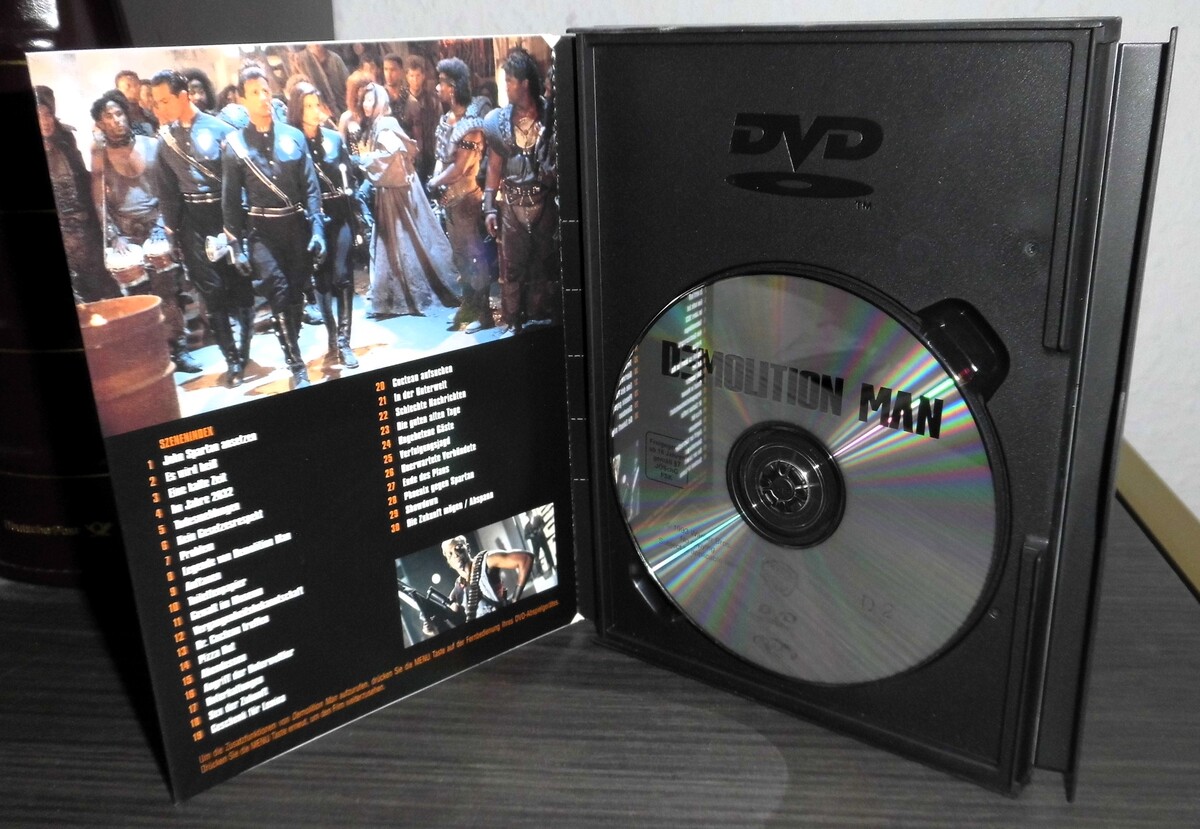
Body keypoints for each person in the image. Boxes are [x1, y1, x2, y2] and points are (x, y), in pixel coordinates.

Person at [222, 66, 326, 390]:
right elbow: (229, 201)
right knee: (278, 292)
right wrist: (235, 246)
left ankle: (291, 339)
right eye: (254, 93)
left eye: (266, 90)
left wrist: (318, 230)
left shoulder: (294, 137)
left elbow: (311, 189)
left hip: (295, 228)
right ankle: (296, 365)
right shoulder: (235, 145)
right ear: (243, 100)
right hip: (261, 232)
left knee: (295, 294)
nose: (263, 97)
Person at [151, 68, 256, 387]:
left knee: (240, 287)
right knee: (211, 292)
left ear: (183, 96)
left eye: (164, 100)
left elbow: (242, 181)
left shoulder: (221, 130)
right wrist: (171, 232)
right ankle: (232, 359)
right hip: (192, 222)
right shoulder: (165, 141)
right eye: (156, 102)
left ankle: (245, 346)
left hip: (226, 215)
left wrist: (241, 226)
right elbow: (167, 191)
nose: (159, 108)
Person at [89, 89, 200, 373]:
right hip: (126, 233)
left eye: (119, 113)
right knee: (140, 299)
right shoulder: (100, 156)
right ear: (100, 123)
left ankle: (180, 350)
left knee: (167, 291)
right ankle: (156, 353)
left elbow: (169, 190)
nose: (116, 120)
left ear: (127, 115)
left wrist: (163, 224)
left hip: (156, 225)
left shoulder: (151, 145)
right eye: (108, 117)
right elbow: (99, 201)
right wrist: (114, 236)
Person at [355, 83, 458, 318]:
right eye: (364, 100)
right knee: (398, 242)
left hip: (397, 192)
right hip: (393, 190)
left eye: (371, 99)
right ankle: (396, 291)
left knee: (404, 240)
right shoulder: (379, 124)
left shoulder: (385, 125)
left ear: (381, 101)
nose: (366, 104)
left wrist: (363, 160)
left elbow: (390, 156)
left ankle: (406, 292)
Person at [287, 81, 367, 370]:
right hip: (311, 219)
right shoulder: (292, 143)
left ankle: (344, 341)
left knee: (343, 275)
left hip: (339, 212)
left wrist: (358, 213)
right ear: (297, 110)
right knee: (321, 279)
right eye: (306, 106)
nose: (313, 110)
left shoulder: (334, 139)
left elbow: (350, 179)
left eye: (315, 104)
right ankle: (332, 335)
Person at [482, 47, 558, 333]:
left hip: (545, 201)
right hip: (512, 205)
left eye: (510, 81)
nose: (506, 86)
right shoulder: (498, 122)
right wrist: (489, 207)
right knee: (512, 269)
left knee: (546, 265)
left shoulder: (550, 115)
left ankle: (545, 319)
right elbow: (494, 167)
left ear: (524, 83)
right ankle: (514, 321)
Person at [35, 85, 121, 303]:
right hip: (64, 232)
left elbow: (82, 176)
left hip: (85, 225)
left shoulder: (65, 138)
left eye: (47, 114)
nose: (45, 121)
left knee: (105, 287)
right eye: (38, 115)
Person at [426, 58, 493, 332]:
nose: (437, 87)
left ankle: (484, 312)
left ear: (452, 87)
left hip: (465, 199)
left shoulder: (471, 125)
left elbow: (460, 168)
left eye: (441, 82)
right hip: (450, 201)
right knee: (460, 257)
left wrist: (434, 182)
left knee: (474, 256)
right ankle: (469, 306)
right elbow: (442, 158)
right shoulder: (448, 120)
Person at [441, 535, 533, 621]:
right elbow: (450, 605)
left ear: (468, 548)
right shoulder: (459, 585)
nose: (455, 555)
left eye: (458, 548)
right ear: (448, 561)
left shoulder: (485, 561)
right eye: (450, 554)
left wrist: (514, 600)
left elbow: (526, 558)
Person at [401, 54, 441, 184]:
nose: (415, 80)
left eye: (418, 75)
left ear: (423, 76)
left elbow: (439, 125)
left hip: (430, 153)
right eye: (412, 76)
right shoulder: (402, 101)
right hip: (410, 155)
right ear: (407, 76)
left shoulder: (432, 100)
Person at [291, 44, 350, 123]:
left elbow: (348, 84)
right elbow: (297, 87)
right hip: (316, 113)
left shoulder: (335, 59)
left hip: (342, 109)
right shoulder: (299, 60)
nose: (316, 44)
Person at [115, 69, 157, 136]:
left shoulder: (148, 115)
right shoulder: (117, 117)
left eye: (136, 85)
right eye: (128, 86)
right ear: (118, 90)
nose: (133, 89)